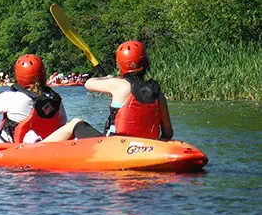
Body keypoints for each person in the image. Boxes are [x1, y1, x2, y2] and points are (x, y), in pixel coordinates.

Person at [42, 40, 173, 142]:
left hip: (114, 144)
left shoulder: (118, 85)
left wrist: (106, 78)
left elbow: (88, 84)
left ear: (120, 65)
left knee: (75, 122)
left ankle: (36, 147)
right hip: (147, 145)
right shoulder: (158, 94)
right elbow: (168, 133)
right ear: (146, 63)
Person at [0, 54, 67, 143]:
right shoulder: (56, 100)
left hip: (10, 145)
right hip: (45, 143)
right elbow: (62, 124)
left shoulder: (13, 97)